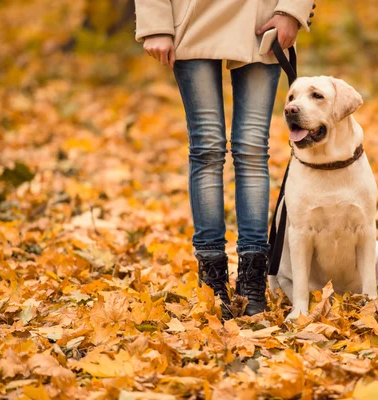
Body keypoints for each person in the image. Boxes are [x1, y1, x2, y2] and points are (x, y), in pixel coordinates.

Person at [134, 0, 315, 316]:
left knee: (252, 150)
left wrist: (291, 11)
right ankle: (212, 280)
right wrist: (156, 23)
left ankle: (252, 281)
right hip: (190, 18)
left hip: (263, 21)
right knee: (206, 149)